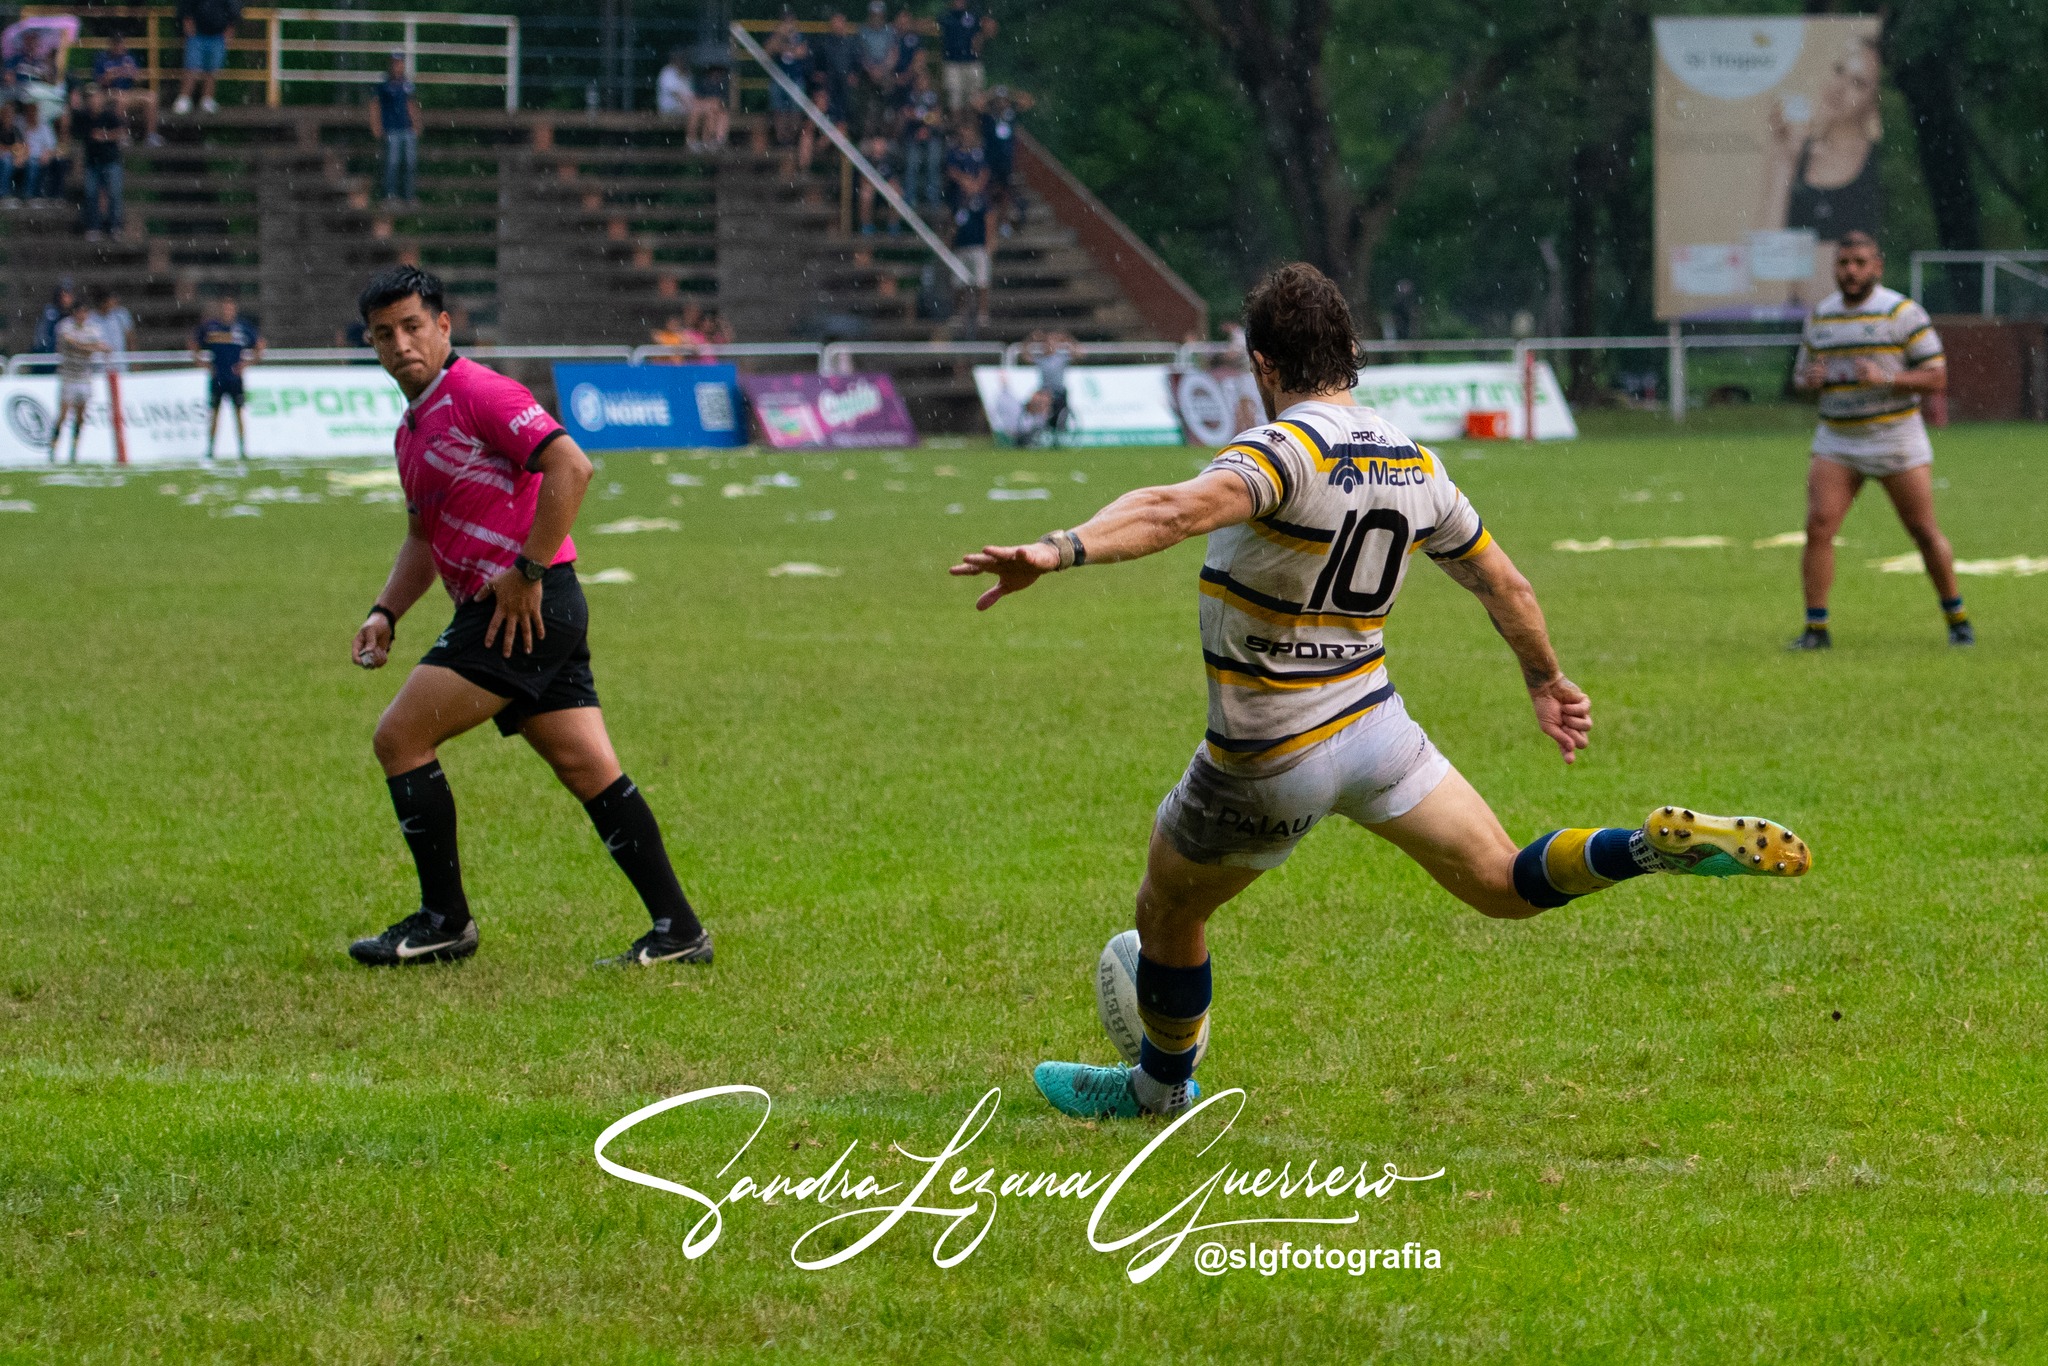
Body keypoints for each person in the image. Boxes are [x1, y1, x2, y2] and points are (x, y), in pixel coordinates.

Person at [950, 263, 1813, 1121]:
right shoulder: (1412, 461)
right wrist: (1546, 679)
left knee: (1167, 905)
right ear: (1352, 352)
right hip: (1374, 729)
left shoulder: (1281, 451)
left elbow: (1172, 509)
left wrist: (1058, 549)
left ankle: (1159, 1088)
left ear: (1262, 365)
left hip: (1268, 756)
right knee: (1501, 882)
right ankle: (1644, 849)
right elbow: (1504, 585)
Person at [342, 266, 713, 970]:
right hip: (535, 609)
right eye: (384, 334)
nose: (401, 343)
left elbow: (572, 467)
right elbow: (424, 539)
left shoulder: (481, 392)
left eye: (413, 326)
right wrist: (387, 610)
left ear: (444, 326)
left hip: (522, 604)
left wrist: (528, 572)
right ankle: (679, 933)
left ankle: (444, 921)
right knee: (588, 767)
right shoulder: (412, 430)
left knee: (400, 738)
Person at [1787, 232, 1963, 650]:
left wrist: (1888, 378)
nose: (1850, 271)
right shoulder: (1822, 316)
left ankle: (1957, 617)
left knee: (1922, 530)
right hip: (1838, 439)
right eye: (1844, 262)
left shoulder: (1902, 312)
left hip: (1895, 437)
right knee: (1818, 528)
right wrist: (1809, 382)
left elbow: (1937, 377)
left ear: (1877, 267)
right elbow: (1800, 379)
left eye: (1860, 262)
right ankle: (1816, 630)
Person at [1763, 35, 1882, 241]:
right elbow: (1767, 254)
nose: (1839, 88)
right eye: (1838, 70)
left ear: (1874, 103)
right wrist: (1784, 160)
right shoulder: (1796, 149)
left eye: (1857, 83)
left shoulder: (1879, 165)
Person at [191, 294, 262, 461]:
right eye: (225, 307)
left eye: (230, 308)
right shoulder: (211, 328)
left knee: (238, 414)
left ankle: (243, 449)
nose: (227, 311)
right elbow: (194, 343)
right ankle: (210, 449)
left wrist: (246, 364)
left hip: (235, 379)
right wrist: (203, 363)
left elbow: (260, 345)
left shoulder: (242, 328)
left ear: (234, 309)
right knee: (215, 414)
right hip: (217, 378)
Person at [51, 297, 108, 463]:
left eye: (85, 312)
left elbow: (91, 346)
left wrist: (88, 346)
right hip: (69, 376)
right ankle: (53, 448)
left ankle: (74, 451)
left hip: (84, 377)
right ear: (74, 313)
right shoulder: (65, 326)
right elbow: (78, 345)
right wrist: (91, 347)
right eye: (80, 312)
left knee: (80, 416)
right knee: (63, 414)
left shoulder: (92, 328)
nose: (82, 315)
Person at [977, 85, 1032, 236]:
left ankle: (1003, 222)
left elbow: (1028, 101)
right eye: (999, 101)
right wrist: (991, 94)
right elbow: (976, 104)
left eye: (1004, 100)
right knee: (988, 193)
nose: (1002, 103)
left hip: (1006, 162)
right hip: (990, 161)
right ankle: (988, 223)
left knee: (1005, 194)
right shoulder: (989, 116)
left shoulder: (1010, 115)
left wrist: (1012, 93)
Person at [174, 0, 240, 116]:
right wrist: (186, 20)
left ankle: (207, 99)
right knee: (191, 67)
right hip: (197, 33)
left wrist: (231, 26)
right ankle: (184, 98)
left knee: (213, 69)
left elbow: (233, 8)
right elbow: (185, 5)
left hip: (218, 33)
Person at [92, 33, 160, 146]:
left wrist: (132, 73)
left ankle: (151, 135)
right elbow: (98, 82)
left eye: (122, 44)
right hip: (110, 92)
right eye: (117, 44)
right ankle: (122, 135)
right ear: (112, 45)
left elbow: (139, 79)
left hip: (129, 91)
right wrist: (110, 76)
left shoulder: (129, 58)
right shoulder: (102, 58)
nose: (120, 47)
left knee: (152, 97)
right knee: (121, 99)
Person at [77, 84, 126, 239]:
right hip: (92, 162)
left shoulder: (109, 116)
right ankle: (93, 226)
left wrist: (104, 136)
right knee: (91, 194)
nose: (94, 101)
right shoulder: (84, 117)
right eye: (91, 98)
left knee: (114, 195)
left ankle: (114, 226)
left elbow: (121, 133)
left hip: (110, 161)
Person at [370, 55, 420, 204]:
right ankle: (389, 196)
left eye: (400, 63)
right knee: (392, 163)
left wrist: (416, 123)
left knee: (410, 163)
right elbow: (374, 105)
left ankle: (409, 196)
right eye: (396, 63)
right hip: (392, 129)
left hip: (407, 129)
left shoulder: (407, 85)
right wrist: (376, 125)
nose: (398, 66)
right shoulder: (384, 85)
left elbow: (411, 104)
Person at [898, 65, 943, 211]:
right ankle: (910, 198)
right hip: (913, 138)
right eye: (919, 80)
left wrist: (921, 118)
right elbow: (906, 113)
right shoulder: (909, 96)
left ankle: (933, 198)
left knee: (933, 162)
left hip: (931, 138)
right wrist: (926, 117)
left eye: (924, 80)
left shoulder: (933, 97)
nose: (922, 83)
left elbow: (937, 118)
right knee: (911, 164)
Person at [937, 0, 990, 113]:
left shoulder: (974, 15)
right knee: (955, 99)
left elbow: (988, 30)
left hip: (972, 62)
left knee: (975, 99)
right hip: (952, 63)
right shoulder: (945, 17)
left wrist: (981, 37)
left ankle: (971, 128)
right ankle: (957, 128)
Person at [16, 98, 62, 204]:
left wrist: (47, 154)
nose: (31, 114)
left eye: (33, 111)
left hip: (40, 156)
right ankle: (28, 195)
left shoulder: (44, 126)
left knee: (46, 163)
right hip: (24, 155)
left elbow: (51, 146)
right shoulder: (21, 124)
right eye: (29, 111)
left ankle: (42, 195)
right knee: (31, 164)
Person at [687, 59, 730, 152]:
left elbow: (723, 102)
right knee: (709, 112)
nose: (716, 74)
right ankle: (700, 141)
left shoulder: (723, 84)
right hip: (702, 109)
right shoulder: (702, 83)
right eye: (714, 71)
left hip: (715, 111)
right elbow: (696, 100)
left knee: (720, 114)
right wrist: (710, 103)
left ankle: (714, 140)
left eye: (719, 71)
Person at [91, 285, 136, 371]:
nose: (114, 301)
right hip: (99, 367)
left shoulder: (121, 315)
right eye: (111, 299)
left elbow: (130, 340)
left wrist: (135, 363)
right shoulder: (90, 319)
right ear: (103, 302)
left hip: (120, 365)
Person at [656, 47, 694, 122]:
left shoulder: (687, 74)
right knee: (699, 112)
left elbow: (690, 94)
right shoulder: (667, 72)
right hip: (670, 110)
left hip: (684, 109)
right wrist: (694, 107)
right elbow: (677, 95)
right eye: (680, 58)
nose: (682, 61)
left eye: (683, 59)